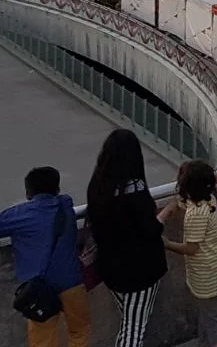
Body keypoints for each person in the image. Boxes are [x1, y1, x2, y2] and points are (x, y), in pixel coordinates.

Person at [0, 166, 87, 347]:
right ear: (58, 189)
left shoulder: (20, 215)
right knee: (80, 330)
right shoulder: (66, 205)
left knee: (42, 340)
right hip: (72, 282)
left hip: (39, 289)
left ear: (28, 193)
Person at [85, 129, 167, 347]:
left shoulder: (97, 188)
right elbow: (151, 229)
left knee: (130, 322)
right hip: (141, 272)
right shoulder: (136, 192)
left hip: (111, 270)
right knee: (133, 331)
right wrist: (166, 213)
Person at [161, 159, 217, 347]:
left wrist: (168, 244)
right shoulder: (209, 201)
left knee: (212, 320)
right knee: (210, 316)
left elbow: (191, 249)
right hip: (214, 269)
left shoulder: (195, 215)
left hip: (204, 276)